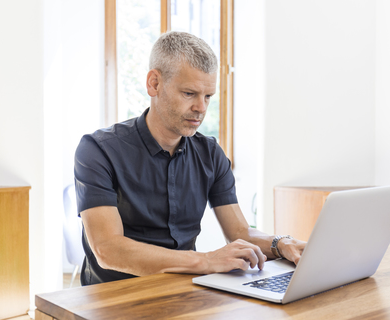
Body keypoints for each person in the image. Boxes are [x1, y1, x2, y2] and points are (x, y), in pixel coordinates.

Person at [74, 31, 305, 286]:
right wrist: (205, 261)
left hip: (184, 292)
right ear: (154, 83)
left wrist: (281, 243)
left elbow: (239, 232)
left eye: (208, 96)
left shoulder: (211, 154)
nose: (201, 108)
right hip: (113, 297)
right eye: (189, 93)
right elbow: (108, 250)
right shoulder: (98, 150)